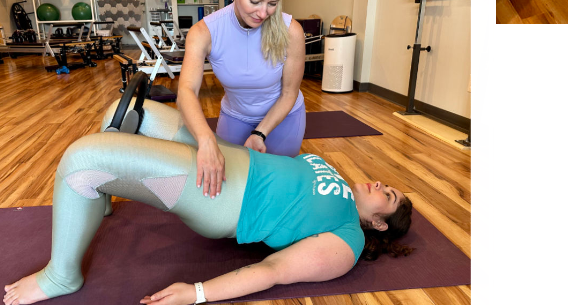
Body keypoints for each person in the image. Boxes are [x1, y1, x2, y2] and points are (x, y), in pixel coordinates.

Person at [3, 98, 414, 305]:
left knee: (83, 159)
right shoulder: (324, 165)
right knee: (124, 111)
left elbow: (273, 270)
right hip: (219, 153)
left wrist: (197, 293)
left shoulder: (347, 239)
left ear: (379, 223)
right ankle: (101, 197)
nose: (380, 184)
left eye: (388, 195)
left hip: (218, 197)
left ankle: (61, 275)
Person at [178, 0, 306, 199]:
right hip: (235, 117)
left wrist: (260, 133)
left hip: (283, 119)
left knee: (277, 191)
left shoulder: (292, 31)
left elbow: (289, 93)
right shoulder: (204, 31)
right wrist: (206, 140)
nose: (263, 13)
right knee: (231, 191)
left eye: (272, 3)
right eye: (255, 1)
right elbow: (185, 91)